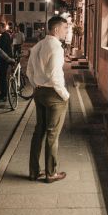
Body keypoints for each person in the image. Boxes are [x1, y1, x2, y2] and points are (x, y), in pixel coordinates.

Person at [26, 15, 69, 183]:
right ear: (56, 29)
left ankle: (34, 171)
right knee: (52, 134)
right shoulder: (57, 48)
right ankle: (51, 173)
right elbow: (54, 74)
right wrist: (64, 95)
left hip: (39, 92)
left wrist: (35, 84)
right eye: (65, 28)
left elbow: (29, 70)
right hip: (54, 94)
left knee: (39, 132)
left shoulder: (38, 45)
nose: (67, 31)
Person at [0, 21, 13, 103]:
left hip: (3, 61)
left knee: (2, 78)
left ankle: (3, 95)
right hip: (3, 60)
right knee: (2, 78)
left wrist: (0, 60)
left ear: (3, 28)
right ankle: (3, 94)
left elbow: (1, 50)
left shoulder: (4, 36)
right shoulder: (4, 36)